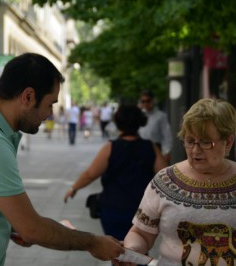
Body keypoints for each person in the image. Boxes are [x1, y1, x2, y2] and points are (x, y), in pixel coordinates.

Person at [0, 53, 124, 266]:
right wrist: (94, 243)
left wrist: (11, 225)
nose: (50, 114)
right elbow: (31, 229)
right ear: (28, 96)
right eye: (50, 104)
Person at [119, 98, 236, 266]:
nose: (195, 150)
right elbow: (141, 233)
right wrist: (132, 250)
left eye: (205, 142)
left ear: (228, 142)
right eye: (189, 141)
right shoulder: (165, 181)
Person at [64, 105, 167, 257]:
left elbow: (90, 174)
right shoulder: (150, 147)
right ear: (140, 122)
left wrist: (74, 188)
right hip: (142, 211)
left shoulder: (111, 148)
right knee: (141, 251)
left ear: (118, 123)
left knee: (118, 252)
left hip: (114, 210)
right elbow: (165, 177)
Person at [138, 90, 172, 163]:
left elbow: (166, 134)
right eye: (143, 101)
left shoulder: (161, 116)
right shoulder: (139, 115)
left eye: (148, 101)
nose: (145, 103)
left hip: (156, 148)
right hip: (140, 148)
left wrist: (167, 151)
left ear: (153, 100)